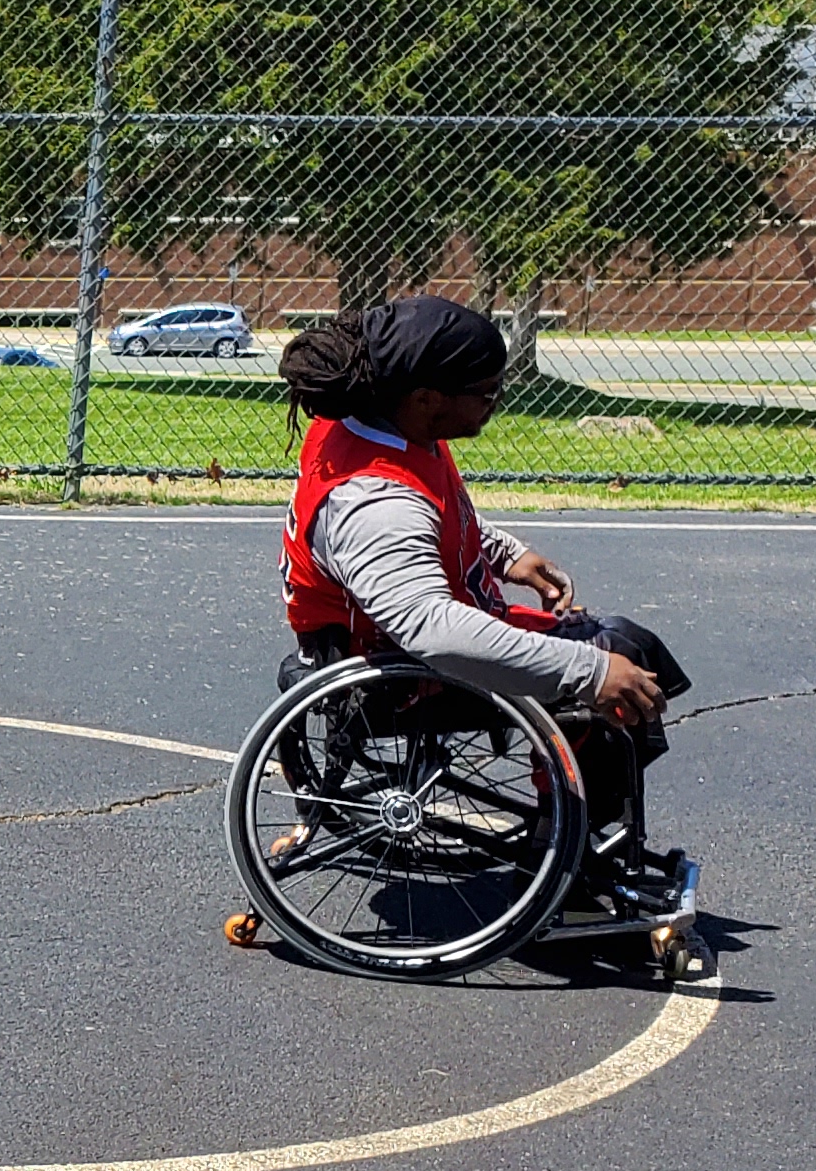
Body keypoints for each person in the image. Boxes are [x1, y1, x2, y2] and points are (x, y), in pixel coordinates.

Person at [279, 293, 688, 856]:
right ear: (426, 399)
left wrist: (503, 553)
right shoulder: (373, 500)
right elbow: (434, 629)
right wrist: (589, 672)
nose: (496, 401)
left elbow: (432, 515)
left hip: (408, 643)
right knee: (615, 659)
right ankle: (563, 853)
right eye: (487, 392)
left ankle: (580, 822)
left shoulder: (381, 423)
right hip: (404, 677)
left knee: (627, 645)